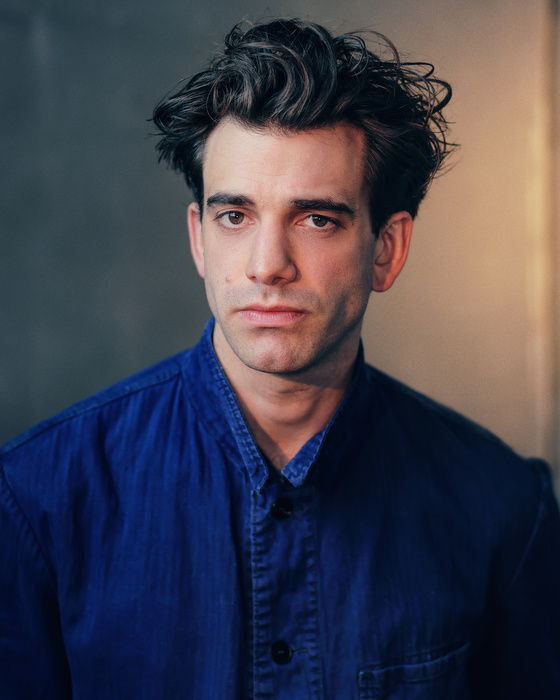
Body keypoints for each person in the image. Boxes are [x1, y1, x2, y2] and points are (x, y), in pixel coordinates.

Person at [1, 17, 559, 699]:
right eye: (234, 216)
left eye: (316, 218)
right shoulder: (36, 498)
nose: (267, 265)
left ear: (387, 250)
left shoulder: (503, 506)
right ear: (199, 239)